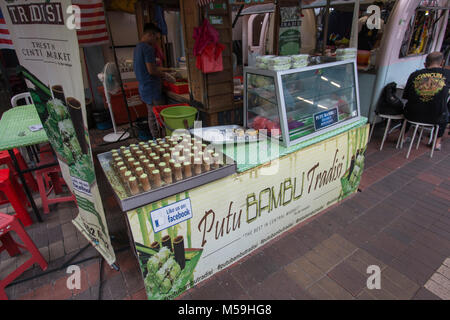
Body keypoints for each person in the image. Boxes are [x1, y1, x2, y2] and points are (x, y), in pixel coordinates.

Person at [402, 52, 450, 151]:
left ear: (425, 64)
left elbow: (406, 96)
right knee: (445, 112)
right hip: (436, 117)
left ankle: (403, 137)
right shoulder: (448, 74)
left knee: (409, 106)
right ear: (442, 63)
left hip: (412, 115)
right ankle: (436, 143)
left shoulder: (414, 74)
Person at [133, 23, 173, 139]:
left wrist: (168, 69)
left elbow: (149, 67)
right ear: (150, 35)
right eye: (156, 38)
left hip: (144, 88)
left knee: (152, 115)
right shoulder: (147, 48)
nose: (157, 41)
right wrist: (165, 75)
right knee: (159, 117)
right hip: (152, 89)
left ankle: (156, 140)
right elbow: (151, 70)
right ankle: (161, 141)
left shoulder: (138, 48)